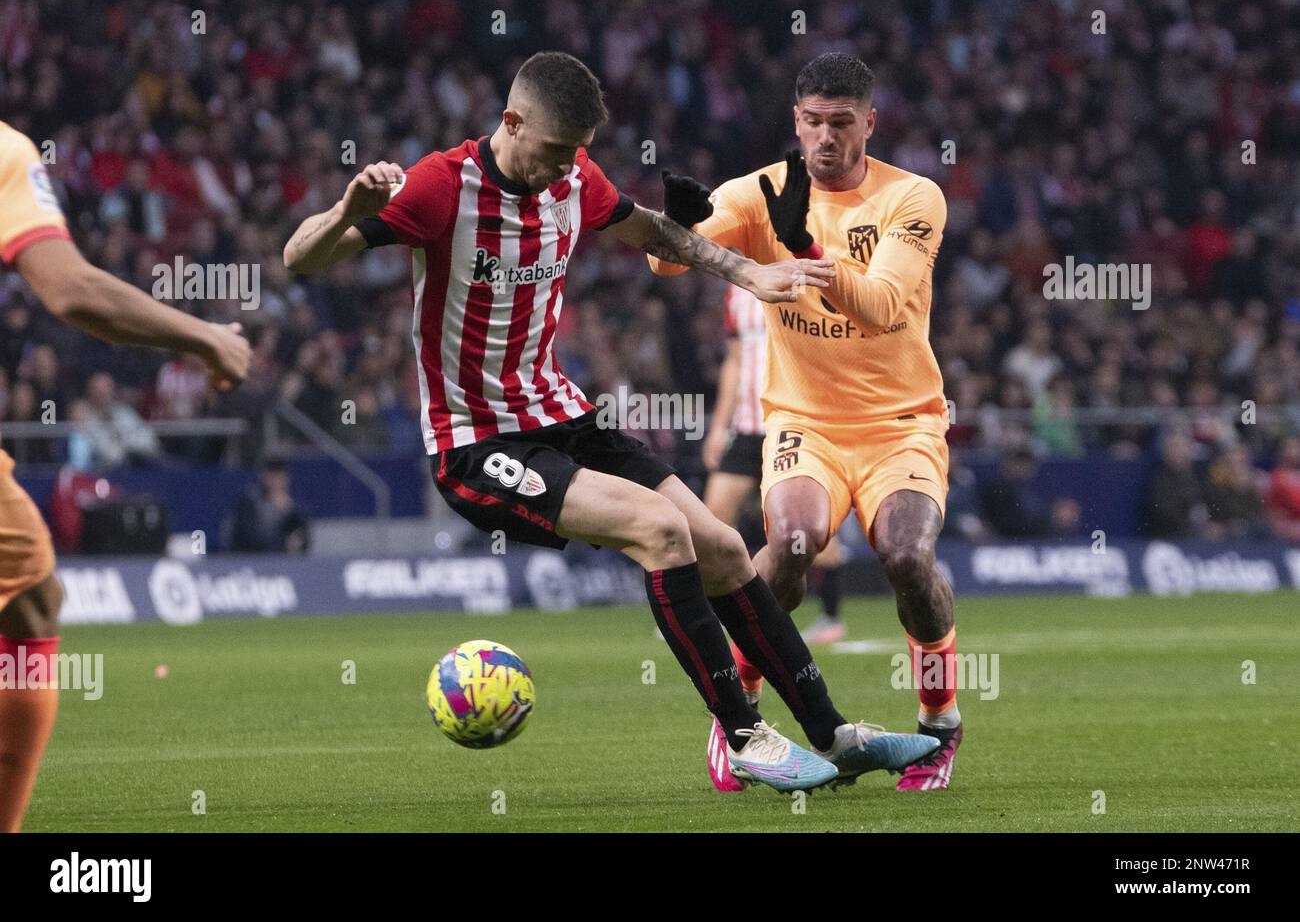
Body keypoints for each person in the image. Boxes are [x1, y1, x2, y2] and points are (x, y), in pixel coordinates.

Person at [282, 51, 937, 794]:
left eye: (579, 153)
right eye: (556, 150)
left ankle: (833, 732)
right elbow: (299, 258)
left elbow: (654, 233)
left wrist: (752, 274)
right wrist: (345, 213)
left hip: (562, 415)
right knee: (660, 530)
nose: (567, 167)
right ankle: (745, 734)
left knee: (722, 545)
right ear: (510, 121)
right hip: (477, 441)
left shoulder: (573, 176)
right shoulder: (441, 187)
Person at [650, 53, 963, 791]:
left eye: (842, 124)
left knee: (907, 557)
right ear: (796, 120)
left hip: (902, 421)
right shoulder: (758, 193)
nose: (826, 137)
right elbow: (665, 266)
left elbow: (883, 308)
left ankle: (940, 722)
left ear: (870, 124)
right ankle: (741, 718)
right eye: (813, 122)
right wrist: (677, 224)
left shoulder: (913, 197)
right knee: (789, 548)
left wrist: (804, 247)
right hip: (804, 421)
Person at [0, 118, 249, 831]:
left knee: (32, 595)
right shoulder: (6, 153)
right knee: (33, 601)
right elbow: (71, 289)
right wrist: (203, 337)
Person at [699, 283, 847, 653]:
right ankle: (716, 615)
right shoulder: (734, 289)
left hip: (794, 425)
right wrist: (719, 426)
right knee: (710, 517)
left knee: (807, 531)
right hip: (749, 428)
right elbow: (734, 360)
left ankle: (831, 616)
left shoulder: (798, 280)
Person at [228, 458, 311, 555]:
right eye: (273, 476)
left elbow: (303, 538)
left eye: (281, 476)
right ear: (264, 477)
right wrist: (283, 544)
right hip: (250, 561)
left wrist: (288, 512)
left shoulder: (290, 505)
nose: (277, 480)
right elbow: (249, 539)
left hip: (282, 562)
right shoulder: (249, 501)